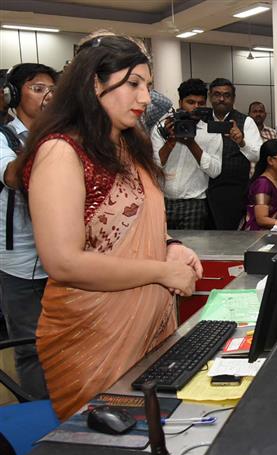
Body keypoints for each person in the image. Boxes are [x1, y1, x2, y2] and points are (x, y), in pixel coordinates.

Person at [17, 34, 201, 420]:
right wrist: (163, 271)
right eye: (133, 83)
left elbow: (127, 222)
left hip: (152, 328)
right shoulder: (61, 151)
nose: (146, 98)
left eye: (148, 86)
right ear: (94, 83)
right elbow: (64, 262)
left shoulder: (131, 144)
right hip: (93, 336)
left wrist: (171, 246)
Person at [0, 63, 57, 400]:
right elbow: (13, 177)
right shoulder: (4, 137)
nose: (47, 96)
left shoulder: (60, 135)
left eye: (52, 90)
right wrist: (43, 135)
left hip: (61, 257)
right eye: (37, 88)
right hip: (19, 261)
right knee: (31, 347)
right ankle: (43, 421)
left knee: (64, 341)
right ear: (12, 95)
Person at [151, 78, 222, 229]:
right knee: (162, 248)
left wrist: (191, 143)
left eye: (201, 103)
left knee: (193, 249)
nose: (196, 108)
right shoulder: (163, 128)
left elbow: (215, 171)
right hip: (163, 200)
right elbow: (154, 166)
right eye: (190, 102)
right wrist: (171, 141)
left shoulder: (211, 133)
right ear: (180, 102)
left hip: (194, 203)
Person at [206, 78, 262, 230]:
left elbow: (258, 155)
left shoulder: (246, 122)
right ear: (210, 96)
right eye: (217, 94)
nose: (222, 99)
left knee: (227, 238)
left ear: (233, 98)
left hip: (232, 192)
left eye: (227, 95)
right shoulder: (201, 120)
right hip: (202, 191)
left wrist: (242, 142)